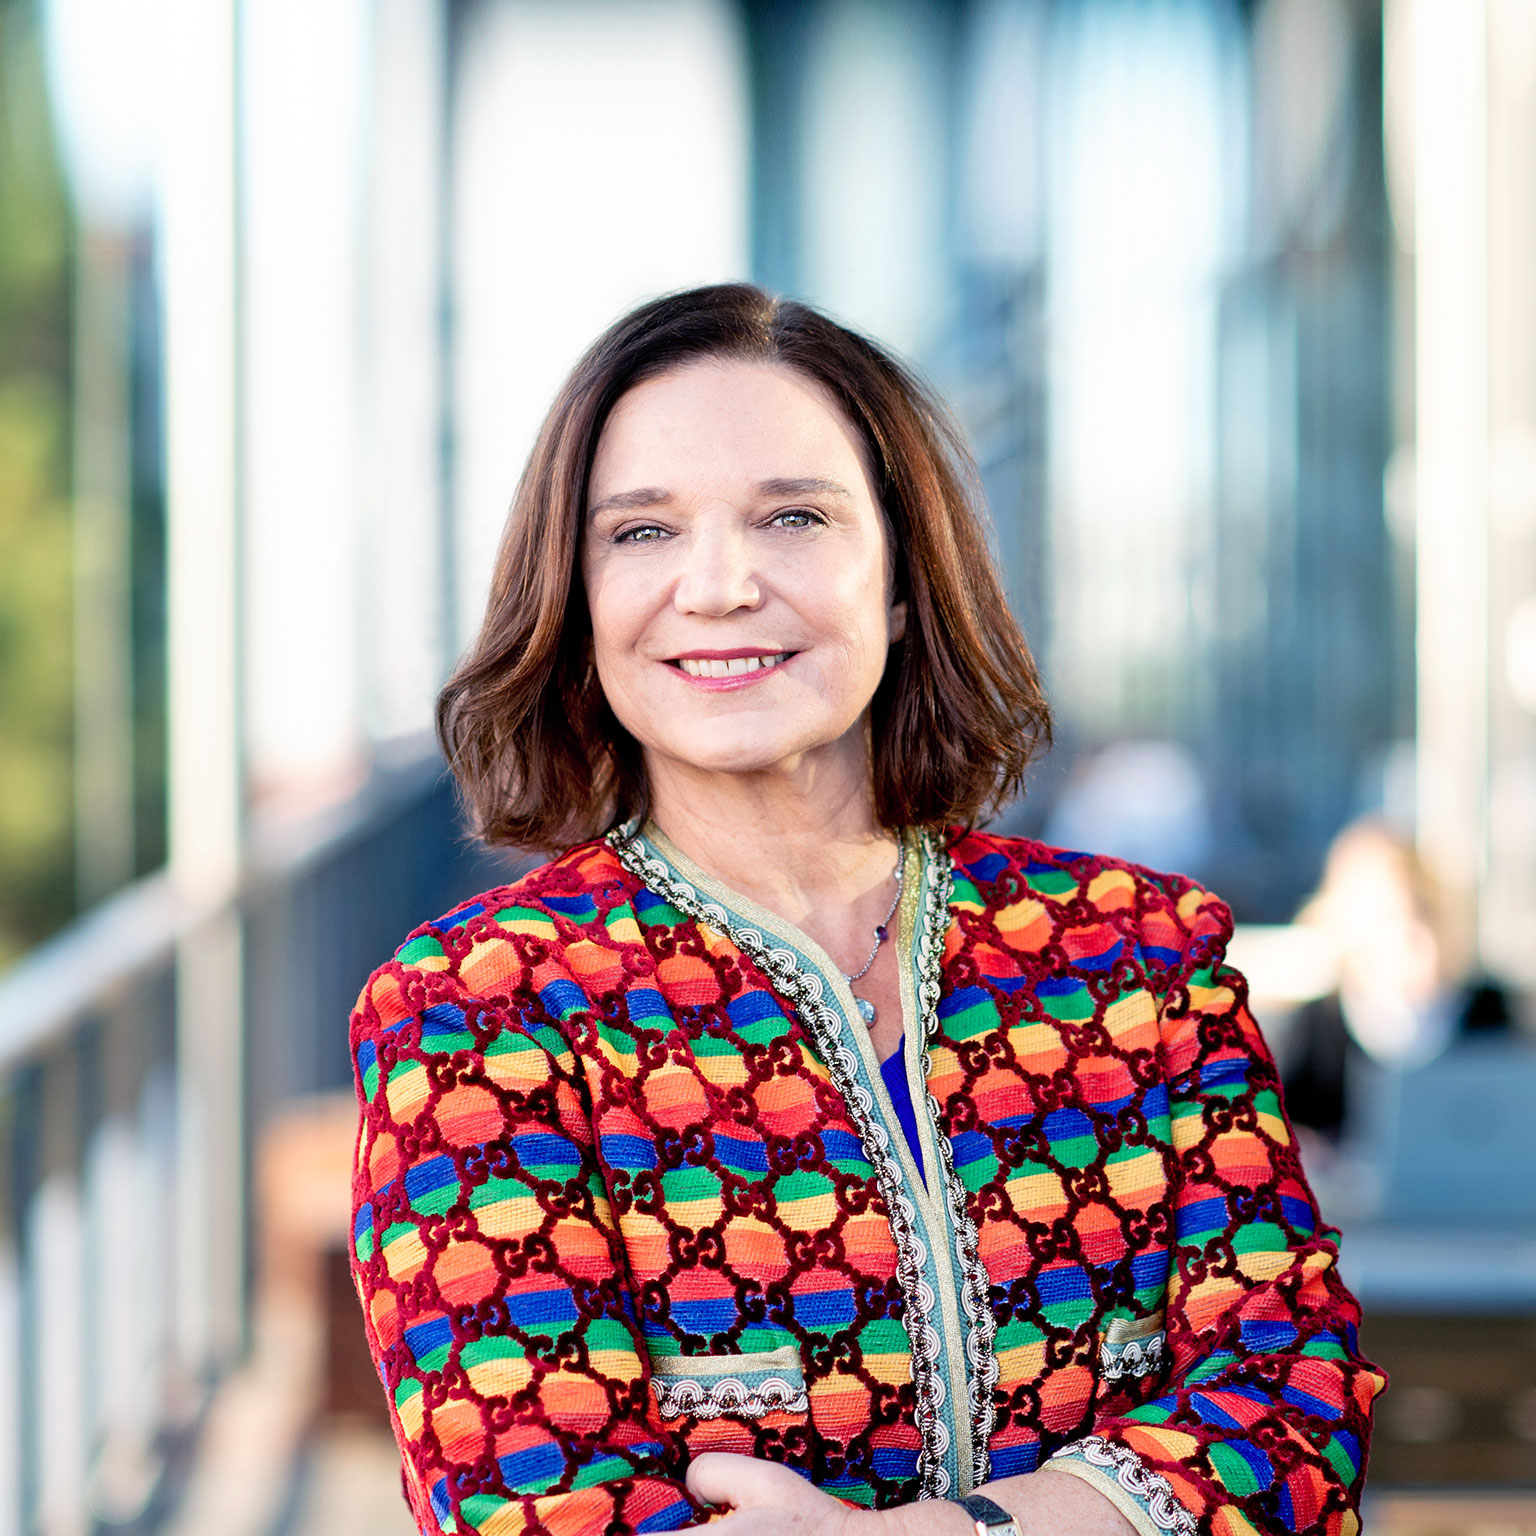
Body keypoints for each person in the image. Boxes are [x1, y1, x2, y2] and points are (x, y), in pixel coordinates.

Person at [348, 284, 1383, 1536]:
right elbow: (531, 1506)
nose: (719, 586)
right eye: (640, 533)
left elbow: (1289, 1406)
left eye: (794, 517)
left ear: (900, 580)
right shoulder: (483, 1009)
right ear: (575, 600)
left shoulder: (1137, 956)